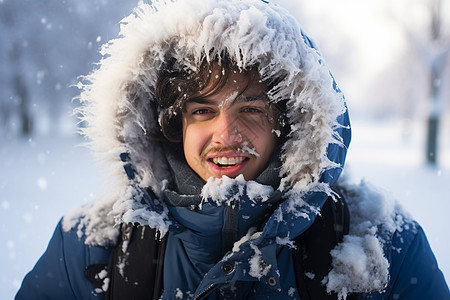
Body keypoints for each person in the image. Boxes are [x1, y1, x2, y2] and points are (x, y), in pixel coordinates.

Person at [16, 0, 449, 299]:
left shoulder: (382, 245)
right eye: (203, 110)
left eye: (252, 109)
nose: (226, 133)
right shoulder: (91, 249)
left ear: (289, 124)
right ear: (172, 126)